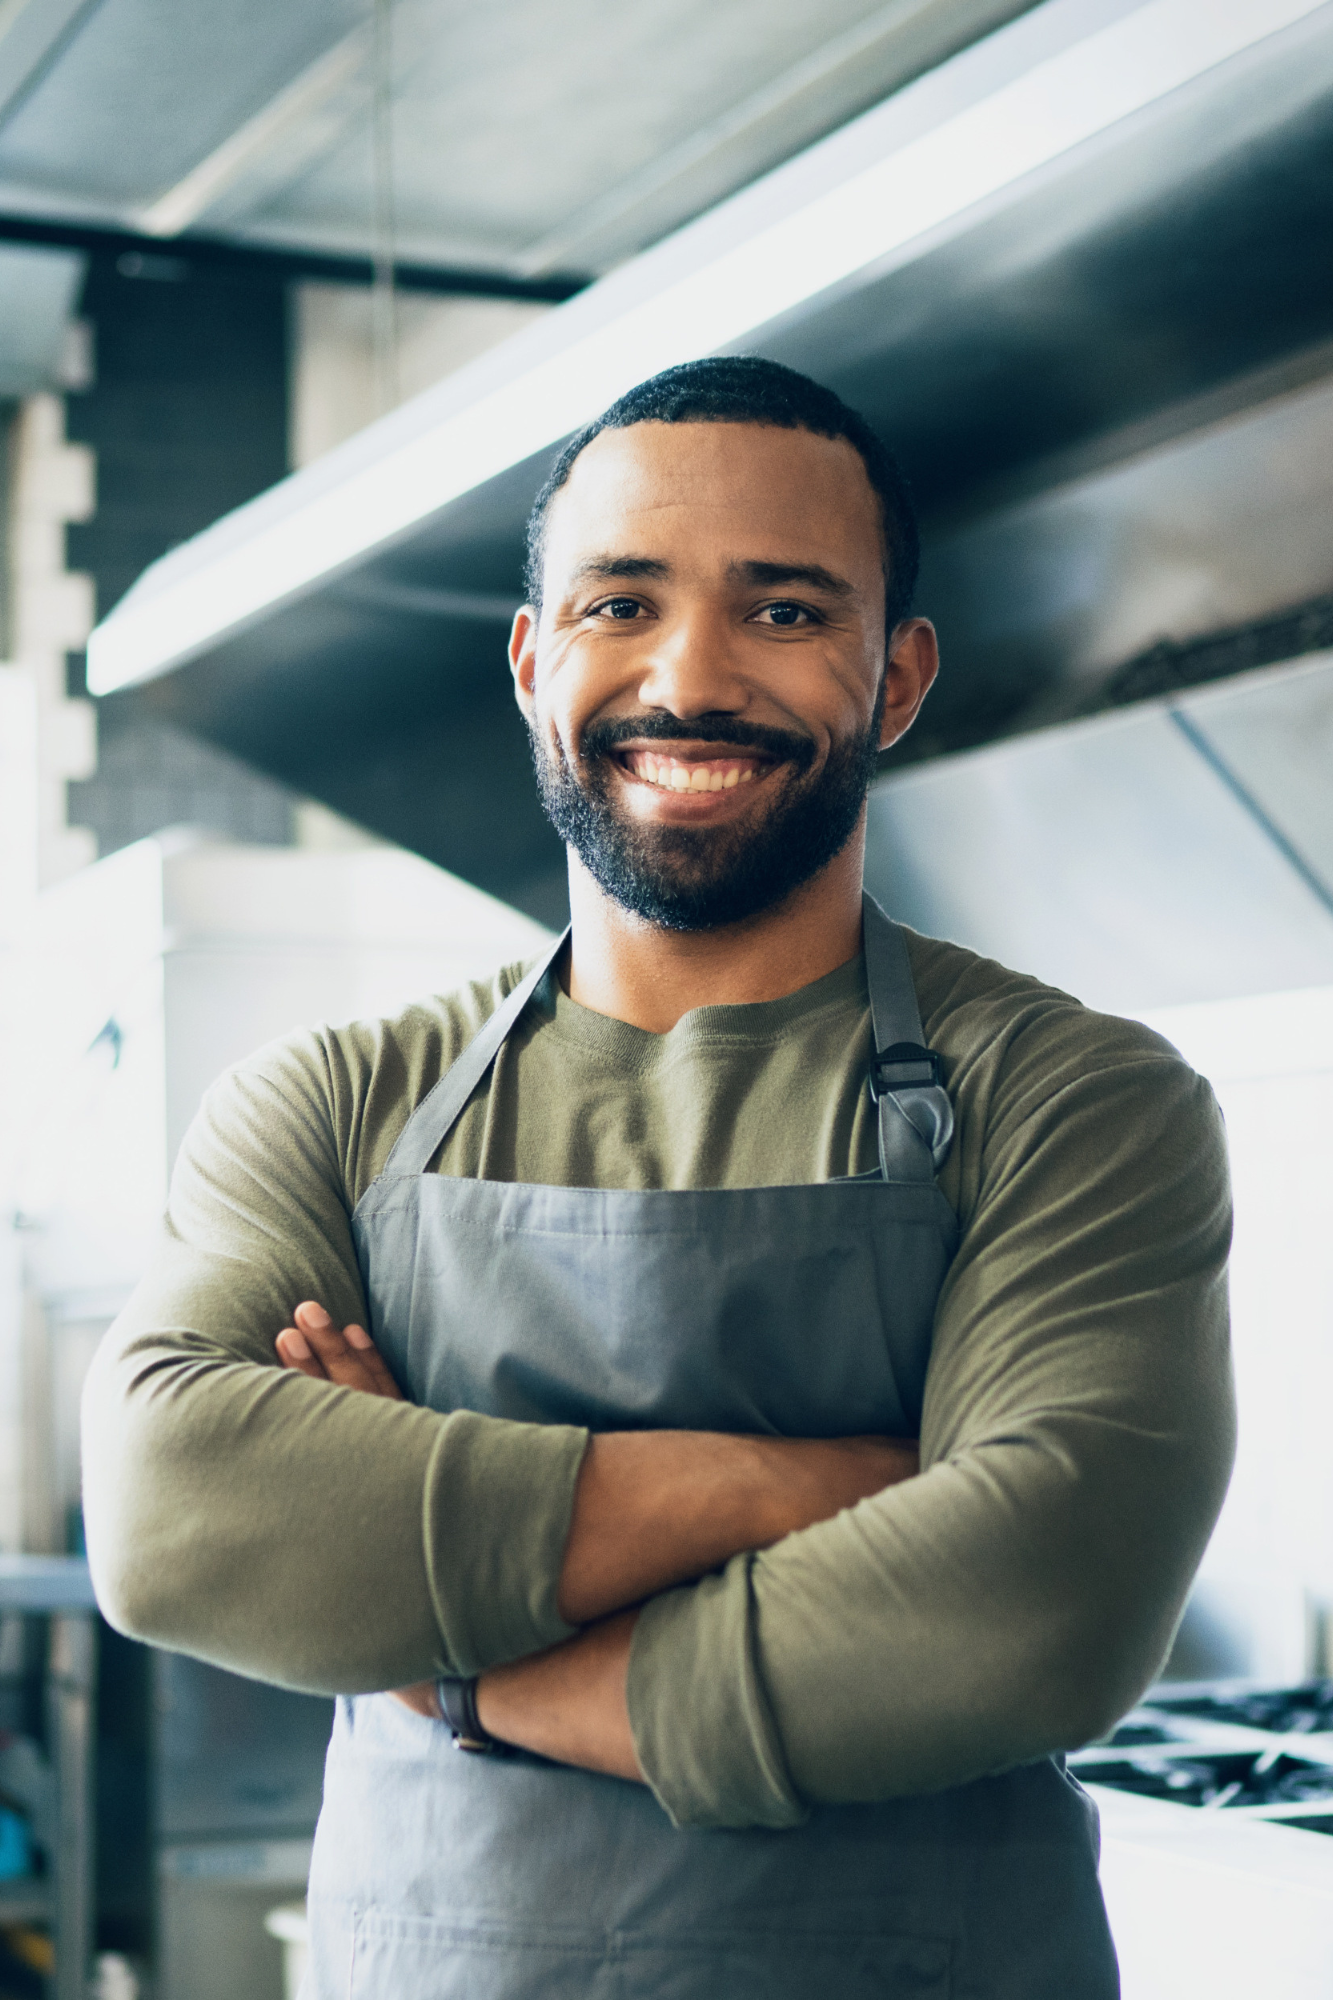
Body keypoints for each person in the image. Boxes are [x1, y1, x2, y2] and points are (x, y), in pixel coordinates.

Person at [81, 357, 1235, 1998]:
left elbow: (1043, 1601)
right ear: (534, 658)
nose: (688, 677)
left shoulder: (1073, 1099)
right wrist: (796, 1485)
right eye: (621, 604)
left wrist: (461, 1660)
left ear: (896, 677)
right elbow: (172, 1512)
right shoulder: (335, 1102)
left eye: (783, 612)